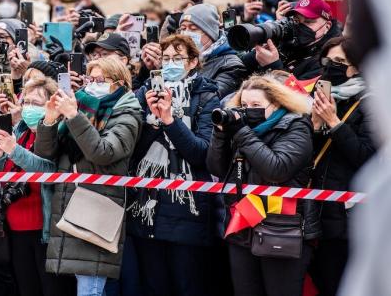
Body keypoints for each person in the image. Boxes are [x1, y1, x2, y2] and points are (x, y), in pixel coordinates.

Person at [35, 57, 142, 296]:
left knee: (90, 289)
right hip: (69, 204)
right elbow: (46, 153)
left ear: (119, 82)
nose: (92, 85)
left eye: (100, 80)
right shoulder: (83, 107)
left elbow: (103, 152)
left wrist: (73, 117)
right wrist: (50, 120)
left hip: (97, 208)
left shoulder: (128, 112)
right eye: (90, 79)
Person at [125, 34, 220, 296]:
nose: (170, 64)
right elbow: (131, 151)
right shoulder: (143, 93)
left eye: (177, 59)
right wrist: (151, 121)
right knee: (154, 285)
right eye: (166, 58)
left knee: (187, 283)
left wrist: (170, 120)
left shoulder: (206, 95)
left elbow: (201, 153)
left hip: (188, 209)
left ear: (192, 62)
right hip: (147, 205)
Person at [206, 75, 315, 296]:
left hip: (281, 227)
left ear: (276, 104)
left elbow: (276, 169)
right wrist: (220, 134)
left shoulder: (296, 126)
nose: (248, 110)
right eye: (244, 105)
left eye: (256, 105)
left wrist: (242, 133)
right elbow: (217, 168)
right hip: (243, 225)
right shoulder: (241, 130)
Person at [0, 77, 74, 296]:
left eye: (36, 103)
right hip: (15, 229)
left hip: (45, 231)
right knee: (26, 289)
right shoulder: (20, 131)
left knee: (51, 289)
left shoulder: (60, 132)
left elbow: (48, 171)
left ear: (51, 105)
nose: (29, 108)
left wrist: (14, 151)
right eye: (26, 102)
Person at [308, 37, 377, 296]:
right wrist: (315, 126)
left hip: (349, 217)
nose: (331, 67)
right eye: (327, 61)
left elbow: (367, 156)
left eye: (339, 62)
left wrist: (334, 123)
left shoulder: (371, 101)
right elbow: (306, 156)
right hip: (315, 211)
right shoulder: (319, 95)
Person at [241, 0, 342, 80]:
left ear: (327, 26)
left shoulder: (328, 58)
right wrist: (277, 36)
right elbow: (241, 68)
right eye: (296, 20)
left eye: (308, 22)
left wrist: (273, 66)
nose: (300, 26)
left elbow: (300, 98)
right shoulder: (291, 43)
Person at [179, 4, 247, 97]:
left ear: (211, 32)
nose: (186, 34)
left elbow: (209, 99)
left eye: (193, 29)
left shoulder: (231, 66)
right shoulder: (178, 59)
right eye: (183, 28)